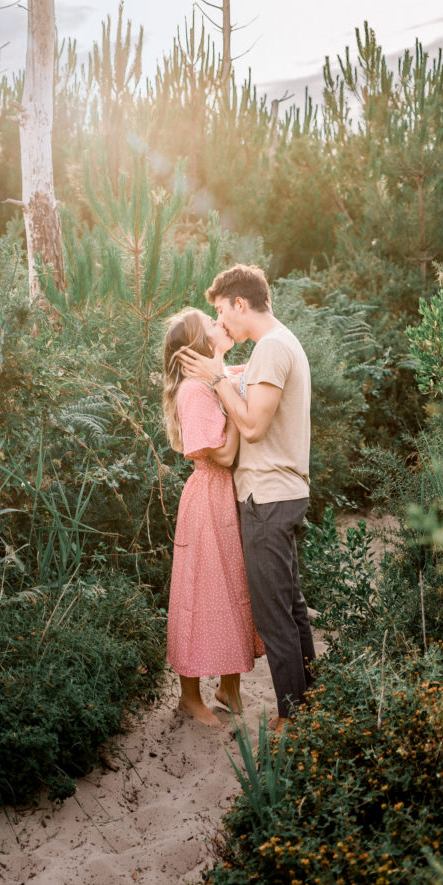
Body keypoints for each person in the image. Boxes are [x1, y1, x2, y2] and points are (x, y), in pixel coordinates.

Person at [179, 265, 315, 732]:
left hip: (268, 497)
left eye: (222, 311)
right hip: (281, 492)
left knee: (274, 614)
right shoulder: (276, 346)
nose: (222, 322)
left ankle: (291, 719)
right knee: (291, 607)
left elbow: (253, 426)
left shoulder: (272, 348)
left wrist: (217, 378)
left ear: (241, 303)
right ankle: (312, 706)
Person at [163, 307, 264, 729]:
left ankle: (230, 688)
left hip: (227, 495)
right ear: (196, 346)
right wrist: (238, 408)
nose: (218, 326)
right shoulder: (195, 390)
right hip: (208, 496)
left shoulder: (212, 378)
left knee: (234, 588)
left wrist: (227, 375)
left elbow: (252, 368)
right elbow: (222, 454)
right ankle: (190, 696)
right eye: (211, 325)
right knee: (202, 593)